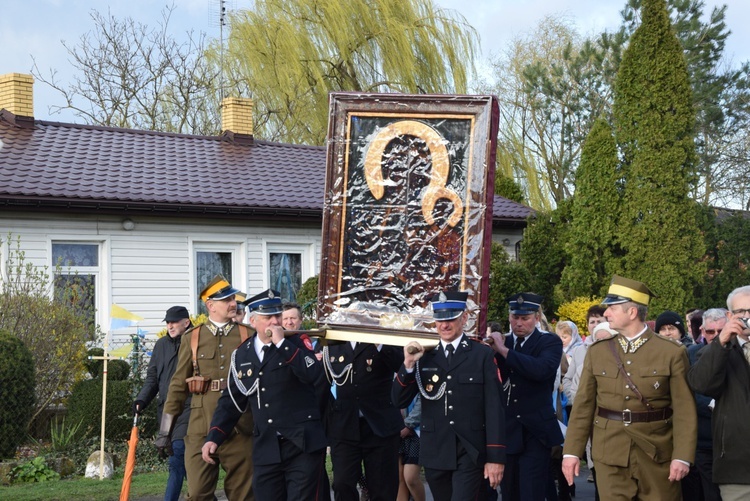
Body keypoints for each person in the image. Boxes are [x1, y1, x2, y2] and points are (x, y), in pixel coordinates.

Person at [562, 275, 697, 501]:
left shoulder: (671, 352)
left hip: (657, 453)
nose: (606, 314)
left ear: (632, 312)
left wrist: (682, 456)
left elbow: (684, 409)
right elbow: (583, 406)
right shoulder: (598, 351)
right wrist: (571, 452)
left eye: (612, 308)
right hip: (610, 453)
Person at [202, 289, 328, 500]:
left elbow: (312, 373)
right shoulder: (243, 353)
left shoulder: (297, 342)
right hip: (267, 446)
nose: (275, 321)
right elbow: (232, 401)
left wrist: (281, 344)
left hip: (301, 443)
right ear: (253, 321)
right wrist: (215, 435)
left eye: (277, 315)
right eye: (267, 317)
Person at [393, 290, 505, 501]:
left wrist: (496, 457)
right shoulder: (424, 355)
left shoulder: (481, 354)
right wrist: (407, 364)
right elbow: (399, 400)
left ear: (464, 317)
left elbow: (494, 408)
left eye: (451, 319)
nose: (444, 325)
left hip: (471, 450)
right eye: (439, 319)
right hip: (436, 449)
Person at [160, 275, 254, 501]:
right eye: (226, 300)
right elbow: (177, 386)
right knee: (199, 494)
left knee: (244, 496)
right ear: (210, 305)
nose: (234, 304)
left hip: (239, 428)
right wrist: (165, 431)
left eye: (233, 299)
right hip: (200, 427)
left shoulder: (247, 334)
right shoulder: (192, 337)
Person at [485, 293, 562, 501]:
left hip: (536, 431)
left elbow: (540, 369)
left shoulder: (549, 342)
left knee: (532, 490)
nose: (519, 323)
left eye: (525, 318)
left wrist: (502, 350)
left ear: (537, 317)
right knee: (509, 491)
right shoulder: (502, 341)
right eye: (514, 317)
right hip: (508, 430)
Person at [323, 322, 405, 501]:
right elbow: (323, 383)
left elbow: (401, 365)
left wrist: (380, 343)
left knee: (382, 487)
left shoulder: (384, 336)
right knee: (342, 483)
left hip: (380, 425)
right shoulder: (335, 341)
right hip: (345, 425)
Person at [688, 286, 750, 501]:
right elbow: (701, 384)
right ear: (730, 316)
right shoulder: (716, 350)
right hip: (736, 466)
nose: (747, 317)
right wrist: (722, 342)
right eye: (741, 312)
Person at [134, 306, 193, 501]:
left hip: (190, 409)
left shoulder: (196, 341)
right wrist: (141, 400)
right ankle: (203, 495)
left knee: (177, 455)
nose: (170, 325)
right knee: (183, 464)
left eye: (174, 321)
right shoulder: (161, 345)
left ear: (186, 322)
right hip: (166, 412)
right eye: (168, 322)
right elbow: (152, 378)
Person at [684, 308, 727, 501]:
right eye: (711, 332)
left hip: (733, 440)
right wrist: (716, 405)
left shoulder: (739, 351)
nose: (716, 336)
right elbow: (689, 392)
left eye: (721, 331)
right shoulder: (690, 354)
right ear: (702, 330)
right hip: (704, 439)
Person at [396, 395, 425, 501]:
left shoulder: (418, 378)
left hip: (416, 431)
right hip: (394, 430)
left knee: (410, 477)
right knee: (398, 477)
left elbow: (422, 402)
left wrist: (408, 425)